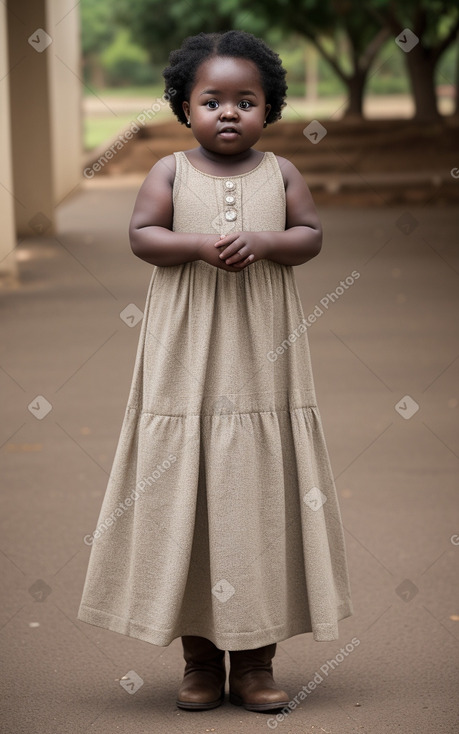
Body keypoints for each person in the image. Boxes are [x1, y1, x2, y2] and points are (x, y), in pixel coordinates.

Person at [77, 29, 353, 714]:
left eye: (246, 100)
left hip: (263, 360)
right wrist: (197, 244)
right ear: (183, 106)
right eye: (211, 100)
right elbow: (143, 235)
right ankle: (199, 661)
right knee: (190, 495)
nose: (228, 112)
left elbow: (309, 236)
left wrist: (264, 239)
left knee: (254, 495)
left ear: (269, 108)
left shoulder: (281, 174)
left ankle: (255, 663)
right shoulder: (169, 172)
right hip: (186, 359)